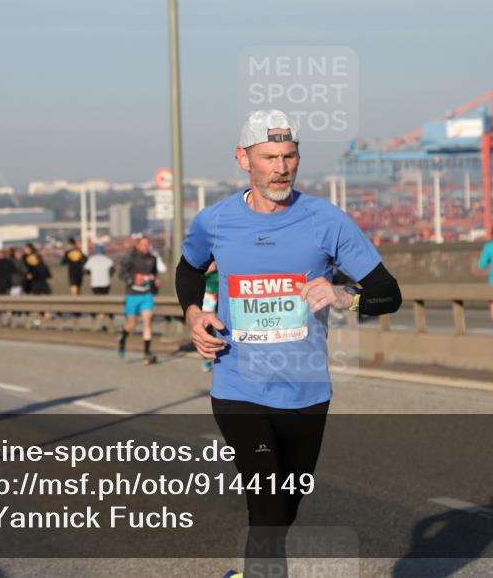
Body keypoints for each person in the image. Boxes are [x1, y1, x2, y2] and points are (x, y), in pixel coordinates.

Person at [176, 110, 402, 578]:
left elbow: (388, 293)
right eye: (269, 157)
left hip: (306, 390)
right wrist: (194, 315)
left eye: (289, 156)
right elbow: (189, 269)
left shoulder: (327, 220)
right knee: (266, 502)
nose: (281, 168)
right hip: (239, 386)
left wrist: (345, 295)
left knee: (285, 506)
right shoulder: (215, 221)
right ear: (244, 160)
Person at [118, 235, 159, 364]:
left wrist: (156, 282)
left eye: (147, 244)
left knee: (147, 322)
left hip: (147, 294)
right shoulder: (129, 258)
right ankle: (123, 337)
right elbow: (121, 274)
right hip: (132, 295)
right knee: (132, 325)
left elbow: (154, 274)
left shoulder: (152, 259)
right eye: (143, 244)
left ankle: (147, 352)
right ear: (137, 245)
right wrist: (133, 280)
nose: (146, 247)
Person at [84, 244, 115, 330]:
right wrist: (108, 276)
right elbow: (113, 269)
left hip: (95, 284)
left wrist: (92, 274)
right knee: (105, 301)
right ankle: (104, 320)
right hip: (106, 283)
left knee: (97, 302)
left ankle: (100, 320)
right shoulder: (108, 260)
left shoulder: (92, 260)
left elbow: (85, 270)